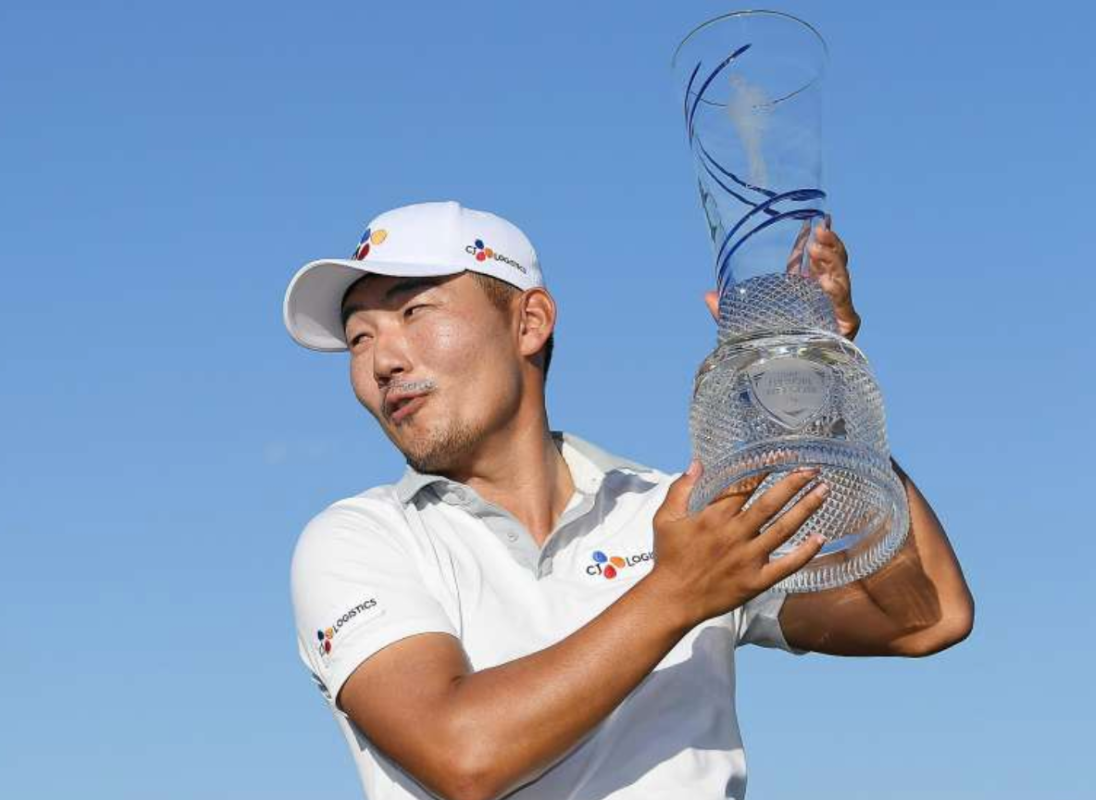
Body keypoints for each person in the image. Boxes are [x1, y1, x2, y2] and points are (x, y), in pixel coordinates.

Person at [284, 200, 973, 800]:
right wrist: (677, 593)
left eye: (413, 310)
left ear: (530, 323)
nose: (382, 362)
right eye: (360, 338)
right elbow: (462, 757)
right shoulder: (359, 539)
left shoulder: (674, 512)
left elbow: (924, 617)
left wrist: (817, 376)